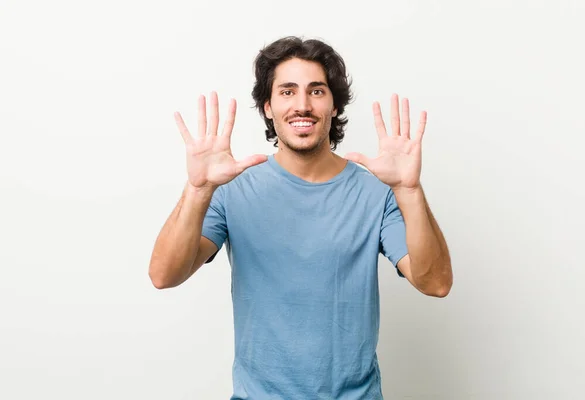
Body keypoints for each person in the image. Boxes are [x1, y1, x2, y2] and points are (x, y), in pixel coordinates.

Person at [149, 36, 453, 400]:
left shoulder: (377, 194)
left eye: (317, 91)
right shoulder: (230, 191)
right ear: (267, 106)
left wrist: (409, 190)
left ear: (335, 106)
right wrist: (198, 190)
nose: (303, 105)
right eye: (288, 92)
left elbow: (434, 283)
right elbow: (164, 275)